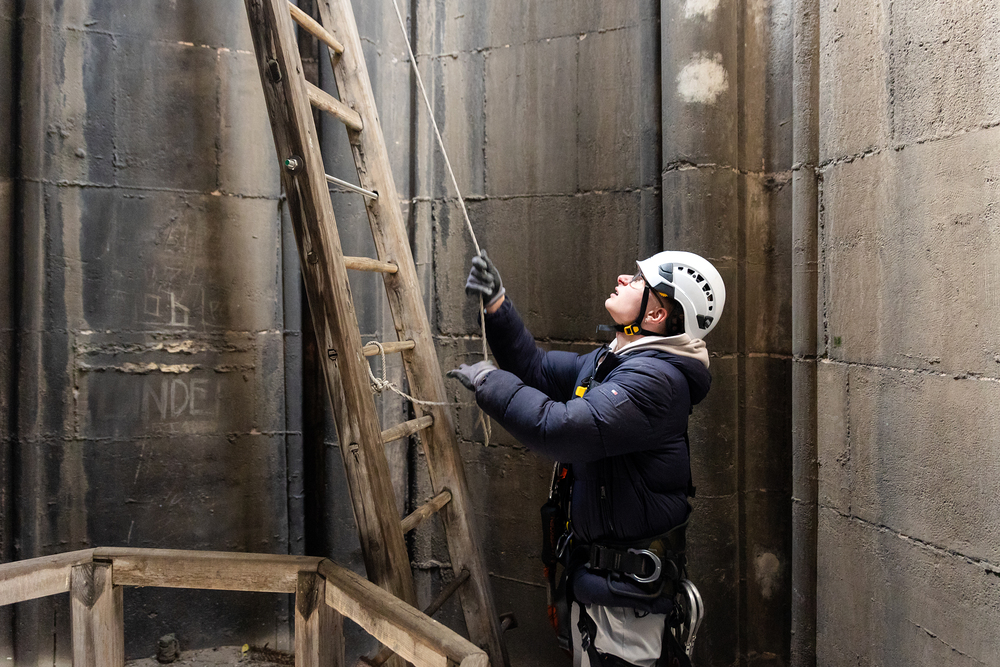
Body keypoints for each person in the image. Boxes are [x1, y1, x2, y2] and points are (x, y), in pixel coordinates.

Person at [448, 249, 725, 667]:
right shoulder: (615, 360)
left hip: (627, 606)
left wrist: (490, 382)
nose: (623, 278)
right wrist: (498, 306)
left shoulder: (656, 380)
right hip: (602, 587)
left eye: (638, 281)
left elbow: (562, 431)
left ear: (655, 315)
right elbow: (537, 370)